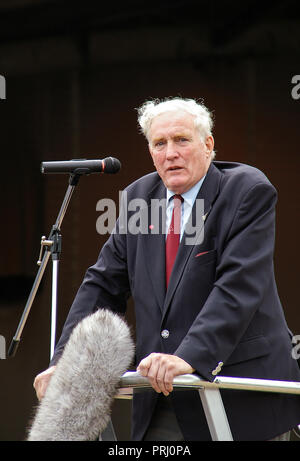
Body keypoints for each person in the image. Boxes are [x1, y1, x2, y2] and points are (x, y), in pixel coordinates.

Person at [33, 97, 300, 441]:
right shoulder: (138, 198)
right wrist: (66, 364)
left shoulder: (247, 191)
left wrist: (189, 356)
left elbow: (239, 286)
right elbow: (102, 286)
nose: (170, 152)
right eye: (159, 143)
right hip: (164, 397)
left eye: (181, 140)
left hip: (240, 399)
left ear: (208, 145)